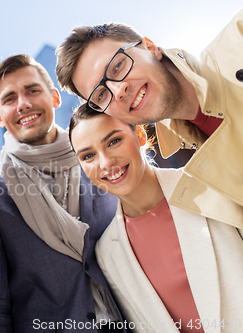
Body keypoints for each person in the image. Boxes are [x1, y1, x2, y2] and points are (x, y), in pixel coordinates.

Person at [0, 54, 126, 332]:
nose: (23, 104)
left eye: (32, 90)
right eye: (9, 99)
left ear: (54, 97)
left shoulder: (98, 159)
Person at [55, 10, 243, 227]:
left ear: (150, 47)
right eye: (101, 94)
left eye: (117, 66)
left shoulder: (237, 39)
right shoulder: (193, 161)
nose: (118, 90)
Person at [68, 103, 243, 332]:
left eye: (114, 141)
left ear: (140, 134)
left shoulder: (210, 187)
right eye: (88, 155)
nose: (105, 162)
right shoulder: (108, 253)